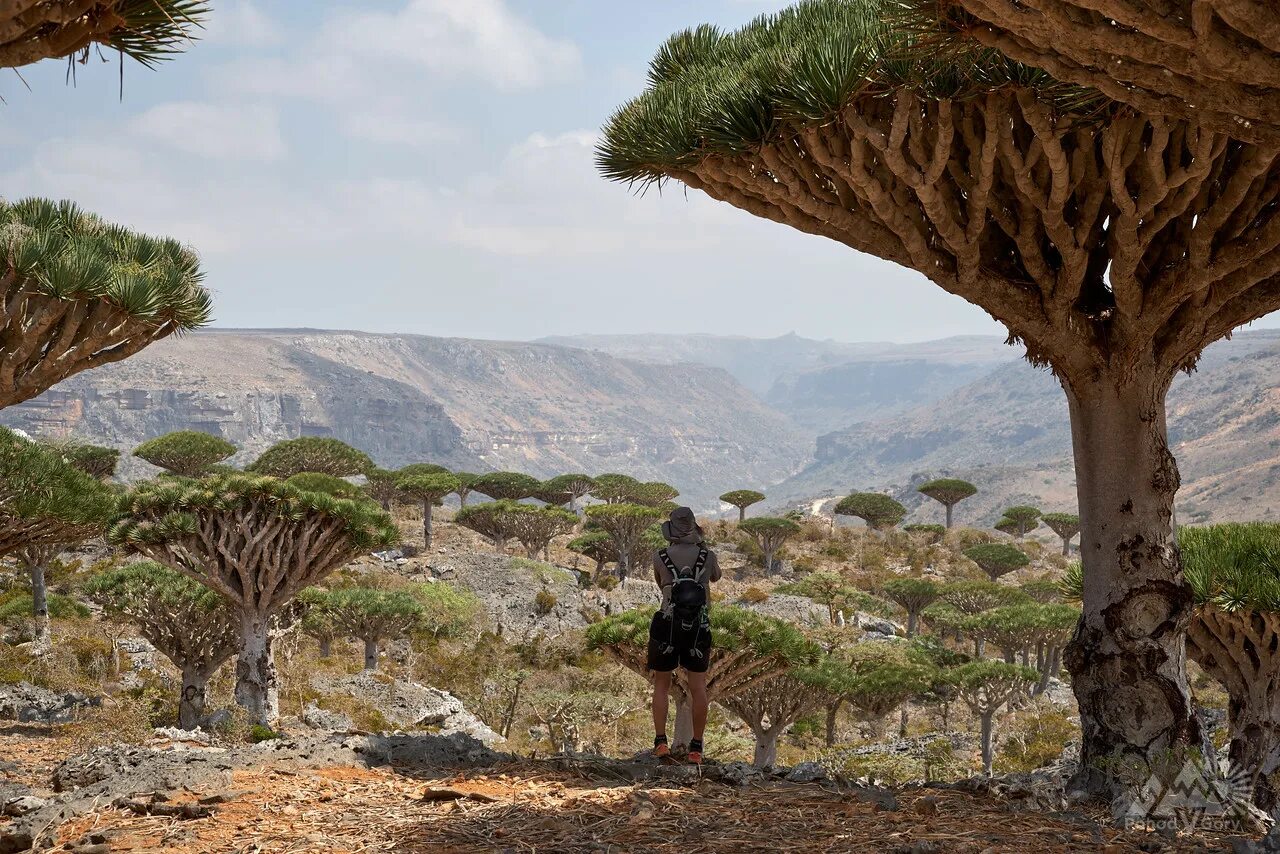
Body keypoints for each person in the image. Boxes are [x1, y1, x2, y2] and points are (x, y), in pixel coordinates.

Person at [648, 506, 720, 765]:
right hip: (699, 628)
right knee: (698, 688)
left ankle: (660, 743)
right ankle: (696, 748)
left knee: (661, 685)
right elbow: (716, 576)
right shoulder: (707, 555)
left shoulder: (660, 556)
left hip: (666, 626)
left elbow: (660, 582)